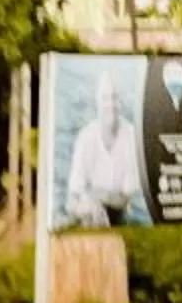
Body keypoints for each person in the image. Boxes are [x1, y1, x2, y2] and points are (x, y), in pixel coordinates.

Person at [61, 73, 147, 228]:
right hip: (92, 214)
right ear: (97, 103)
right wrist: (91, 206)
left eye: (115, 98)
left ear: (121, 103)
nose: (111, 104)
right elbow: (73, 199)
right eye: (105, 98)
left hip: (123, 216)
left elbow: (127, 198)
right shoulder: (85, 138)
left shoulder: (132, 137)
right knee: (83, 217)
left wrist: (95, 196)